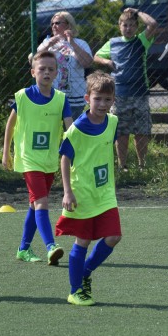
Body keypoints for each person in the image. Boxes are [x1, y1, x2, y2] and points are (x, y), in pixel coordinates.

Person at [55, 71, 122, 306]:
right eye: (97, 99)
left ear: (113, 100)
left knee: (114, 237)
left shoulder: (113, 122)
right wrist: (67, 192)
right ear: (87, 98)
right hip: (82, 194)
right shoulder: (77, 129)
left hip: (105, 193)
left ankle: (85, 272)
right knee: (82, 241)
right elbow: (64, 158)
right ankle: (75, 291)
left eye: (107, 99)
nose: (102, 104)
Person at [2, 51, 73, 266]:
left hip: (49, 160)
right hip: (28, 159)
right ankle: (51, 246)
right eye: (42, 69)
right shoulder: (22, 97)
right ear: (33, 72)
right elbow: (10, 126)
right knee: (41, 202)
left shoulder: (61, 99)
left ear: (57, 73)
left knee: (35, 205)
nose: (46, 72)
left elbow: (70, 129)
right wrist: (6, 152)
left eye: (51, 69)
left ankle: (23, 248)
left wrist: (75, 153)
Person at [93, 8, 158, 171]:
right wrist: (106, 62)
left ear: (136, 27)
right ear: (120, 26)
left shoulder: (141, 40)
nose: (128, 28)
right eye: (125, 25)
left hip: (139, 94)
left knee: (141, 131)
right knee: (121, 132)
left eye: (132, 25)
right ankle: (123, 166)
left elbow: (152, 24)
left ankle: (142, 165)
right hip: (119, 95)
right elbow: (96, 56)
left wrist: (137, 11)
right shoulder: (113, 43)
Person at [35, 11, 93, 120]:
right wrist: (48, 44)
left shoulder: (80, 43)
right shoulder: (47, 42)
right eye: (52, 24)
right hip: (52, 94)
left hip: (75, 97)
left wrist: (72, 43)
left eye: (57, 23)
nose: (54, 26)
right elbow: (35, 60)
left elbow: (87, 63)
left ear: (68, 25)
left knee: (72, 128)